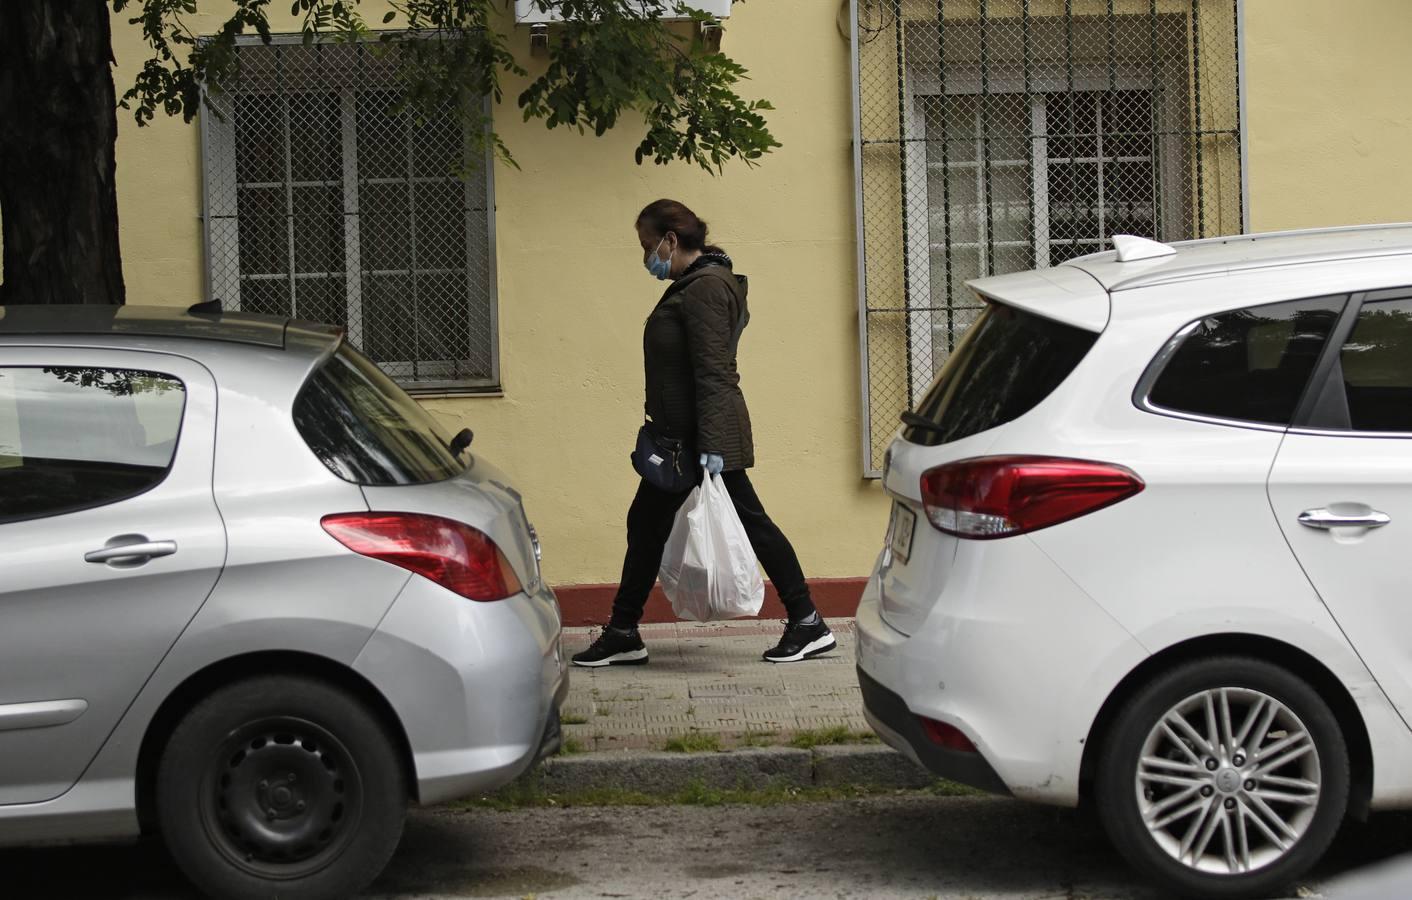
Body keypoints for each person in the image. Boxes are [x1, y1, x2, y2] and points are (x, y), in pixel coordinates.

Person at [572, 199, 836, 668]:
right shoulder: (696, 284)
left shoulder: (705, 289)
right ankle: (623, 631)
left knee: (750, 524)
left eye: (647, 246)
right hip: (686, 435)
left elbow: (716, 373)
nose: (646, 258)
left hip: (700, 439)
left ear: (671, 241)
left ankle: (808, 622)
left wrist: (712, 447)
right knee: (648, 524)